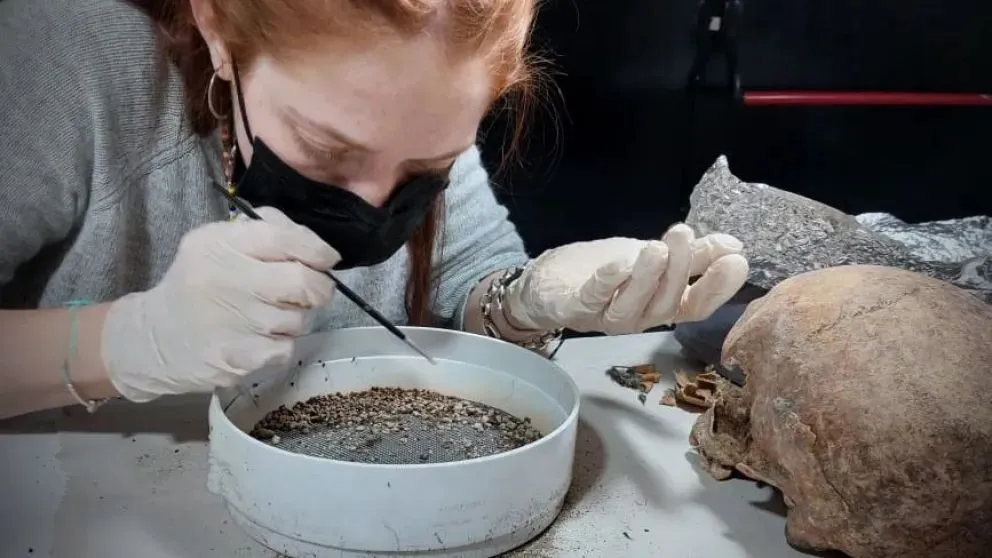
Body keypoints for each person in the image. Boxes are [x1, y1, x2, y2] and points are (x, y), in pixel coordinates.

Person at [0, 0, 749, 420]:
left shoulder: (425, 96)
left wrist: (525, 301)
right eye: (327, 151)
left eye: (426, 168)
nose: (374, 208)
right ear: (218, 26)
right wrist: (124, 343)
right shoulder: (61, 58)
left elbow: (465, 295)